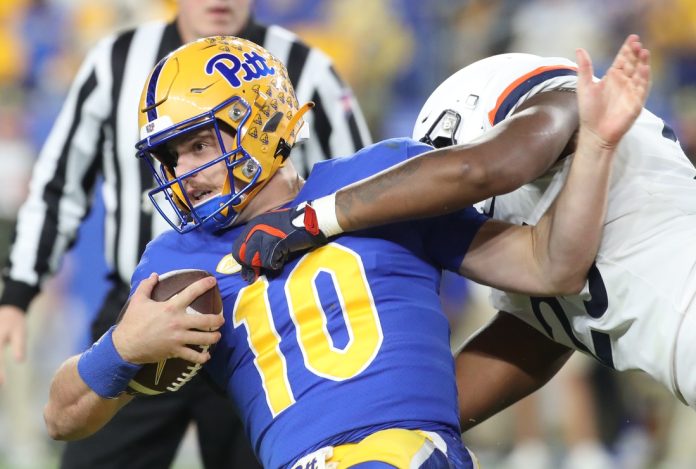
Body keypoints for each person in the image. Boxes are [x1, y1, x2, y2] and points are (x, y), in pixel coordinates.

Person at [43, 35, 647, 469]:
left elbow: (552, 265)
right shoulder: (175, 259)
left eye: (198, 146)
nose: (184, 174)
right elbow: (62, 417)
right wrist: (121, 350)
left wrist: (596, 145)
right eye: (171, 158)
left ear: (259, 123)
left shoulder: (381, 178)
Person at [231, 33, 696, 424]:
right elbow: (451, 399)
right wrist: (352, 428)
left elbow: (481, 168)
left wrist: (315, 217)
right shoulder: (542, 268)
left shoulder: (563, 109)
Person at [1, 1, 370, 468]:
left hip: (272, 306)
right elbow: (59, 183)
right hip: (146, 304)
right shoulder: (116, 60)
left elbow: (360, 194)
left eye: (200, 146)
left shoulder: (305, 67)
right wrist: (18, 291)